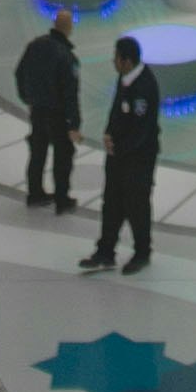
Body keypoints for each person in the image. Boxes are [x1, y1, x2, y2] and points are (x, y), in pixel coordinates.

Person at [83, 32, 161, 273]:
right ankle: (106, 251)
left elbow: (143, 130)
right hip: (118, 155)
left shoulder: (145, 87)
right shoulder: (124, 79)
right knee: (112, 203)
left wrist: (120, 147)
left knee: (137, 205)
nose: (113, 61)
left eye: (116, 57)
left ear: (127, 61)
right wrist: (109, 133)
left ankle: (142, 252)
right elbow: (116, 109)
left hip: (138, 159)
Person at [15, 7, 83, 216]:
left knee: (38, 151)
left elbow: (19, 72)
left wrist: (27, 97)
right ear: (68, 28)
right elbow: (71, 94)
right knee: (63, 155)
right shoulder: (67, 58)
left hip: (38, 110)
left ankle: (35, 193)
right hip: (57, 114)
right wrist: (74, 124)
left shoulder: (35, 46)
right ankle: (61, 198)